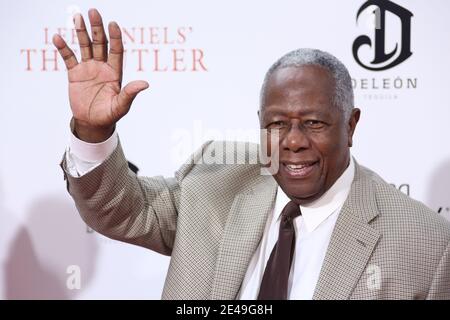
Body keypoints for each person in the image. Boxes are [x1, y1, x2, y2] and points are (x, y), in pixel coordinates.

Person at [55, 9, 450, 300]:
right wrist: (94, 130)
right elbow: (121, 210)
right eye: (277, 124)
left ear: (350, 126)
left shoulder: (424, 244)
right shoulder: (216, 179)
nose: (293, 141)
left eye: (314, 123)